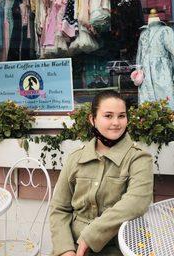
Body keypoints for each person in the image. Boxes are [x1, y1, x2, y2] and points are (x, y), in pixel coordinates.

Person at [49, 90, 154, 256]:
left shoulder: (139, 158)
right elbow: (59, 208)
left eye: (121, 116)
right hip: (74, 247)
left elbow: (136, 203)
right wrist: (65, 249)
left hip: (121, 246)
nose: (116, 122)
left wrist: (89, 237)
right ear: (93, 119)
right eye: (108, 116)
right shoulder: (76, 159)